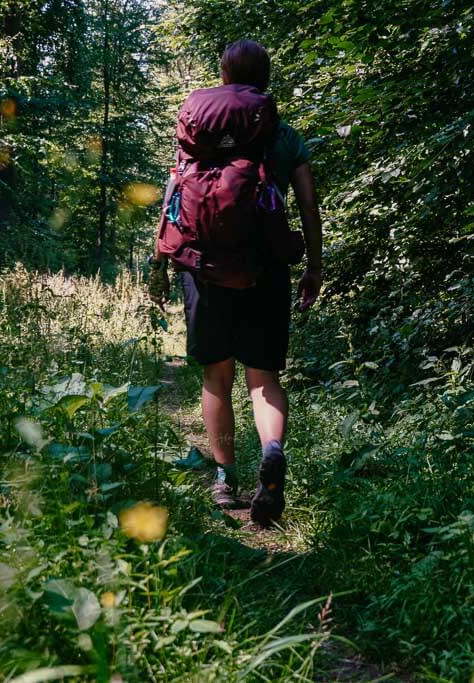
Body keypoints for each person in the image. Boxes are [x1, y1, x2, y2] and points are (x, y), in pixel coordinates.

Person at [148, 40, 323, 526]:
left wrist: (158, 265)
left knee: (215, 376)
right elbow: (307, 206)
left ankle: (226, 479)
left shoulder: (196, 134)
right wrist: (314, 265)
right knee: (263, 378)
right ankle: (271, 449)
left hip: (203, 269)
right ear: (265, 78)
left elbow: (172, 199)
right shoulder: (284, 137)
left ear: (223, 76)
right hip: (265, 268)